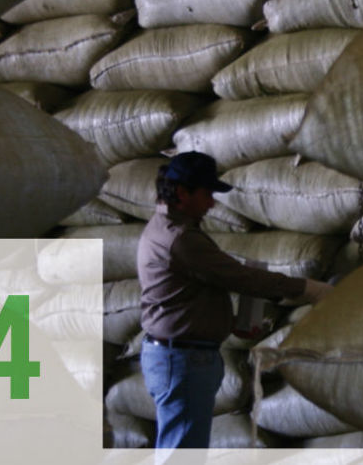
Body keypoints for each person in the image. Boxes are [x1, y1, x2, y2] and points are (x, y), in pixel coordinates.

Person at [137, 151, 333, 449]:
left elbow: (191, 293)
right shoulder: (181, 239)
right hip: (183, 360)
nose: (212, 203)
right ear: (180, 192)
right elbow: (242, 278)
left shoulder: (164, 228)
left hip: (178, 356)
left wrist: (229, 322)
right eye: (206, 194)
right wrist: (311, 290)